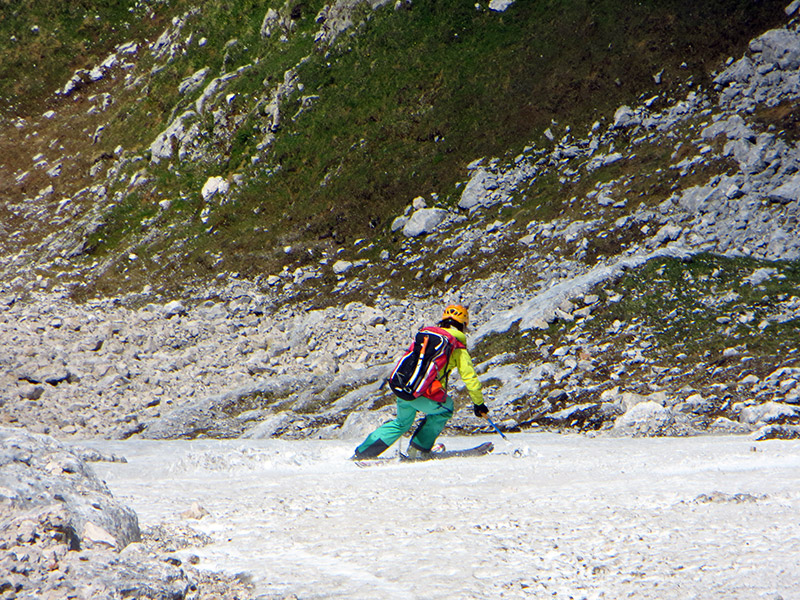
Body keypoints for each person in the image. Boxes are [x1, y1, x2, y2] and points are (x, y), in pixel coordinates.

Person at [352, 304, 489, 459]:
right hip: (425, 395)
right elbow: (470, 379)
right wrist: (479, 404)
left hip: (405, 389)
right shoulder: (457, 347)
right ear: (464, 325)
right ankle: (418, 450)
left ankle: (363, 452)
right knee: (446, 408)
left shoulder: (427, 337)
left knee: (401, 423)